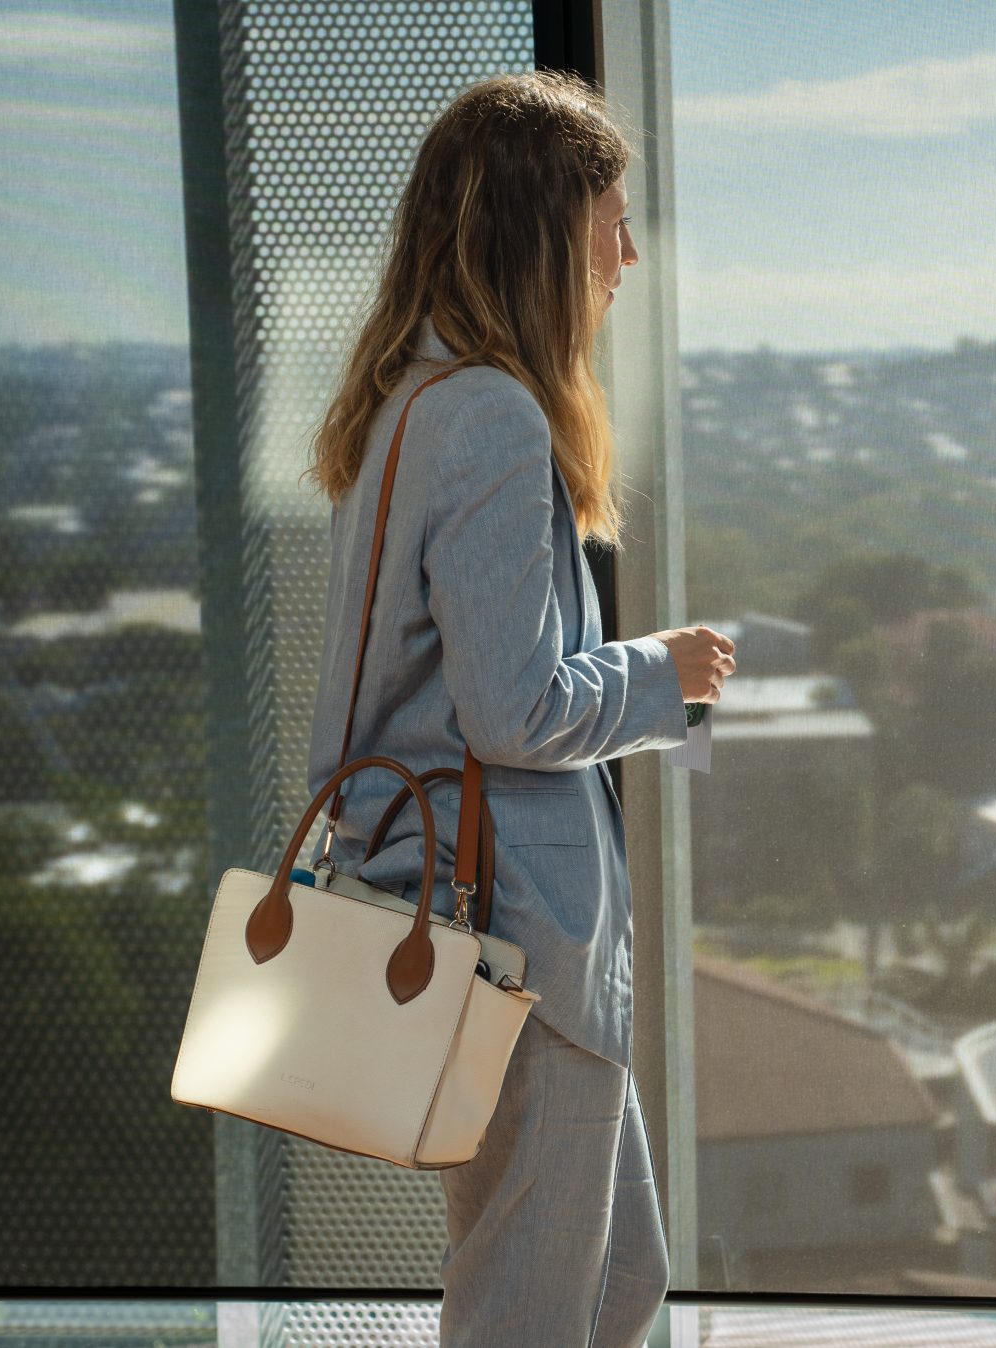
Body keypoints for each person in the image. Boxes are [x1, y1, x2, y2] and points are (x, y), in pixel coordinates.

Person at [302, 71, 735, 1345]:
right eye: (612, 219)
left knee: (614, 1281)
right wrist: (666, 676)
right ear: (548, 230)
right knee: (535, 1313)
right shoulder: (490, 414)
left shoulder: (408, 404)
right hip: (521, 948)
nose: (629, 255)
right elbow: (518, 708)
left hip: (484, 929)